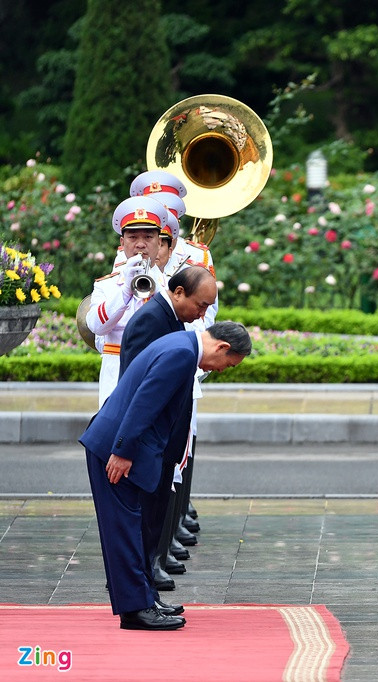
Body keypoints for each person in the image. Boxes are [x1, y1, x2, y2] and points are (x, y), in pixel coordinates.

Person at [79, 321, 251, 630]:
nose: (223, 370)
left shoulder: (181, 344)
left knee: (132, 527)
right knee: (124, 530)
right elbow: (142, 405)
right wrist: (122, 451)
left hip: (119, 446)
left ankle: (144, 600)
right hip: (114, 449)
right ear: (222, 347)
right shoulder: (182, 353)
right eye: (228, 364)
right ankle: (135, 611)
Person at [119, 266, 219, 594]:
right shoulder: (152, 320)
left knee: (156, 512)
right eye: (200, 306)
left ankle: (145, 583)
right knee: (144, 516)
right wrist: (131, 445)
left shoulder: (174, 319)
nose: (203, 313)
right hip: (148, 439)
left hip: (163, 437)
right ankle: (137, 588)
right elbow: (138, 390)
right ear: (178, 293)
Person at [85, 196, 170, 407]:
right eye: (133, 237)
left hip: (158, 372)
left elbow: (183, 327)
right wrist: (125, 290)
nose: (140, 244)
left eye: (148, 237)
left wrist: (157, 286)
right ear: (122, 243)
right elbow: (96, 326)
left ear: (159, 242)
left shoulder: (170, 286)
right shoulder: (106, 286)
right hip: (116, 378)